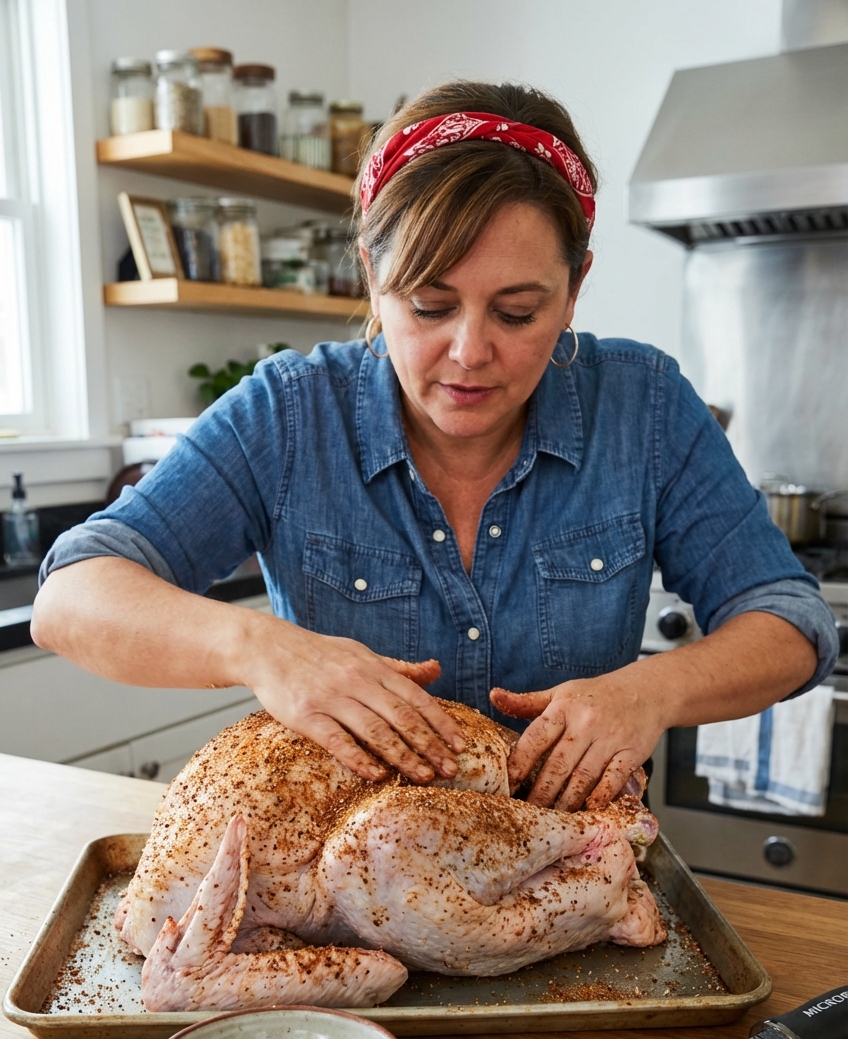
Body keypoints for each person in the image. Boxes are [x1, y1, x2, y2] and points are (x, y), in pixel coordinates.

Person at [32, 81, 837, 811]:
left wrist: (652, 691)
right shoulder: (289, 412)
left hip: (574, 874)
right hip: (343, 885)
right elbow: (71, 596)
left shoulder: (646, 406)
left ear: (575, 288)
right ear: (371, 281)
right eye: (428, 305)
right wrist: (258, 648)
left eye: (518, 312)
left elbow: (790, 619)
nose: (469, 352)